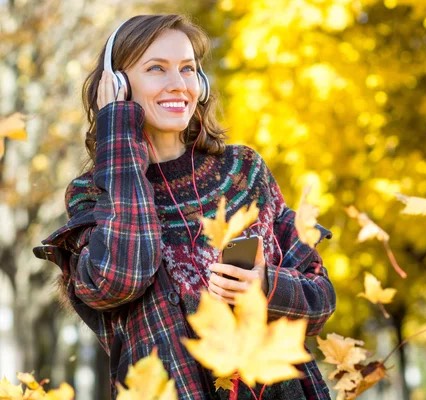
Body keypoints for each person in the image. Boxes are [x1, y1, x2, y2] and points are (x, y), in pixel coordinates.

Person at [33, 14, 336, 400]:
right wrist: (119, 136)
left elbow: (321, 299)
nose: (178, 84)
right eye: (156, 69)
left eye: (188, 69)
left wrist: (265, 285)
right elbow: (120, 279)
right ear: (118, 87)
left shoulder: (241, 171)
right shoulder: (91, 194)